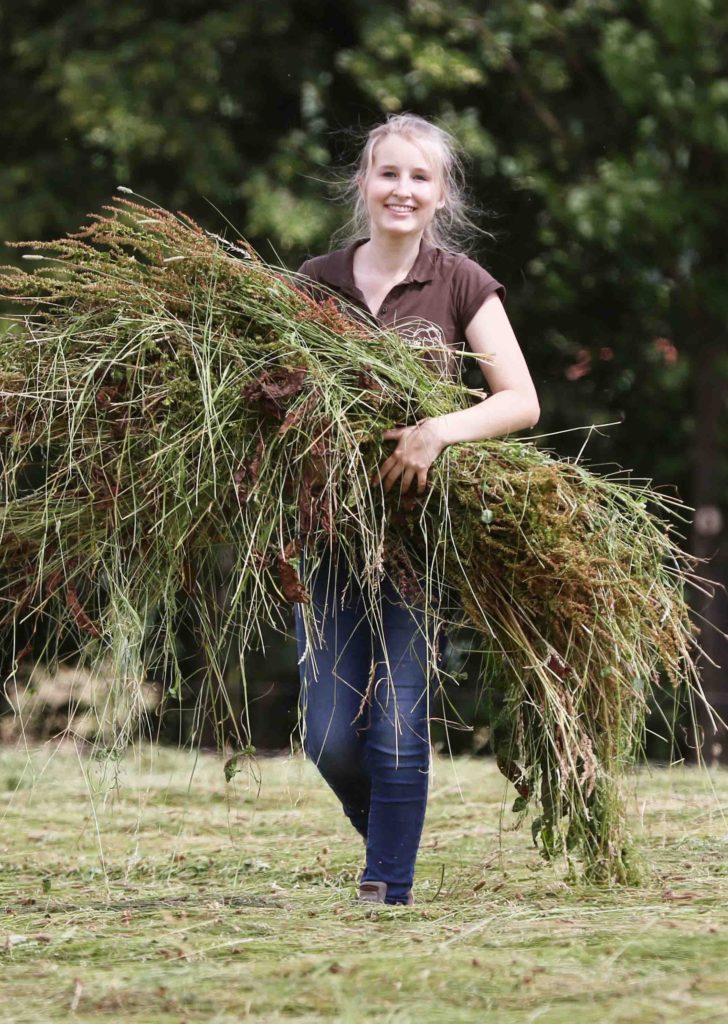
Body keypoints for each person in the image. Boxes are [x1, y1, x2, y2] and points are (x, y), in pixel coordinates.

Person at [293, 113, 540, 906]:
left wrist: (436, 432)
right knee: (328, 735)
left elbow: (521, 401)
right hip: (328, 532)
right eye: (388, 173)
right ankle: (390, 838)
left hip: (421, 539)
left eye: (419, 177)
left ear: (441, 195)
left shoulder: (461, 281)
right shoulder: (313, 281)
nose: (402, 189)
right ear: (363, 183)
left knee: (398, 720)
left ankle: (385, 887)